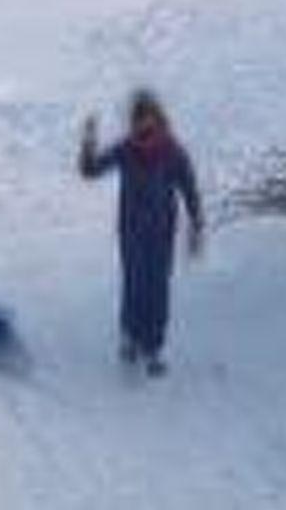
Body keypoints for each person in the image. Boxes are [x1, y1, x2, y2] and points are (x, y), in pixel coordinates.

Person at [78, 89, 205, 376]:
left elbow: (189, 189)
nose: (142, 127)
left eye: (147, 121)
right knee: (134, 283)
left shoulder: (173, 151)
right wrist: (88, 140)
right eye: (138, 121)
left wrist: (196, 225)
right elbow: (90, 170)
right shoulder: (125, 149)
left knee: (158, 288)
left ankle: (153, 348)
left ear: (158, 119)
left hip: (162, 233)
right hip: (131, 231)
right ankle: (130, 337)